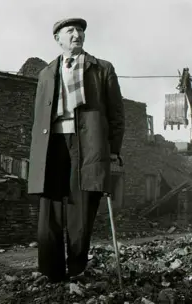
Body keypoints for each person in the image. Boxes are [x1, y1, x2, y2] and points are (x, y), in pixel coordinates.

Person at [27, 17, 125, 282]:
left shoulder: (101, 68)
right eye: (70, 31)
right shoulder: (46, 73)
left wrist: (113, 149)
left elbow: (116, 113)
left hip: (88, 144)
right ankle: (51, 272)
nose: (76, 34)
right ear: (58, 38)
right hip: (52, 144)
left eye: (80, 30)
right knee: (50, 208)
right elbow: (39, 116)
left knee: (80, 210)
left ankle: (77, 271)